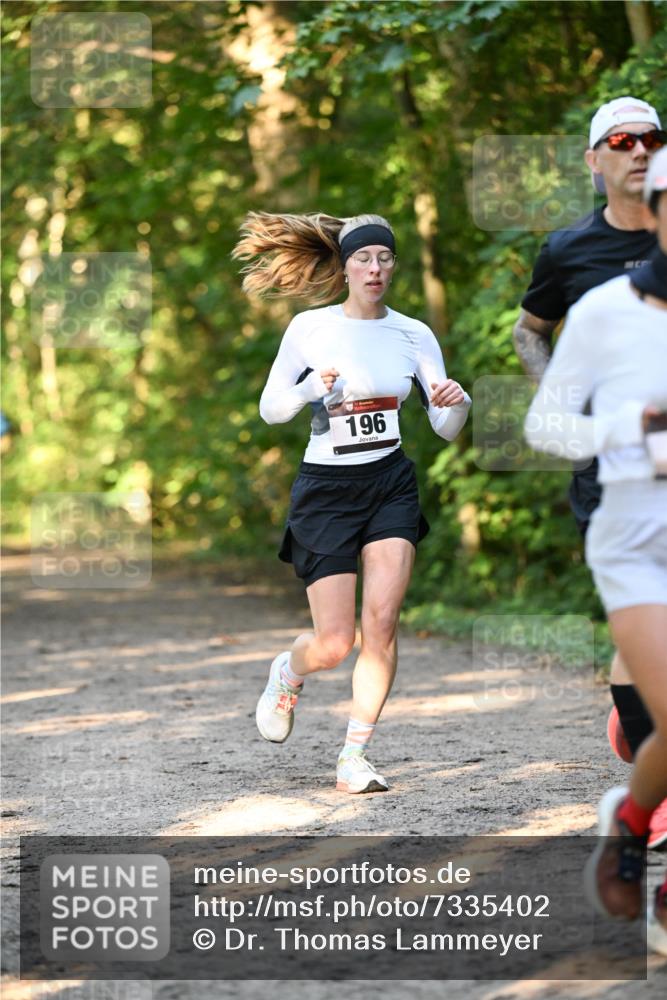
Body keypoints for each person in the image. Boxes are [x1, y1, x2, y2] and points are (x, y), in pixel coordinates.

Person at [232, 212, 471, 793]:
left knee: (382, 625)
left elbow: (443, 427)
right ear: (344, 268)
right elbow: (270, 409)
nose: (375, 268)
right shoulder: (309, 329)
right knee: (335, 643)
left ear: (393, 267)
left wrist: (456, 402)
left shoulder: (414, 334)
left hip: (389, 482)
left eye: (385, 258)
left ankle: (354, 756)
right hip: (326, 491)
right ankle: (288, 673)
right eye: (364, 258)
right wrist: (312, 389)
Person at [524, 147, 667, 956]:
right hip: (637, 537)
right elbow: (545, 424)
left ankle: (631, 817)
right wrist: (622, 432)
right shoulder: (605, 309)